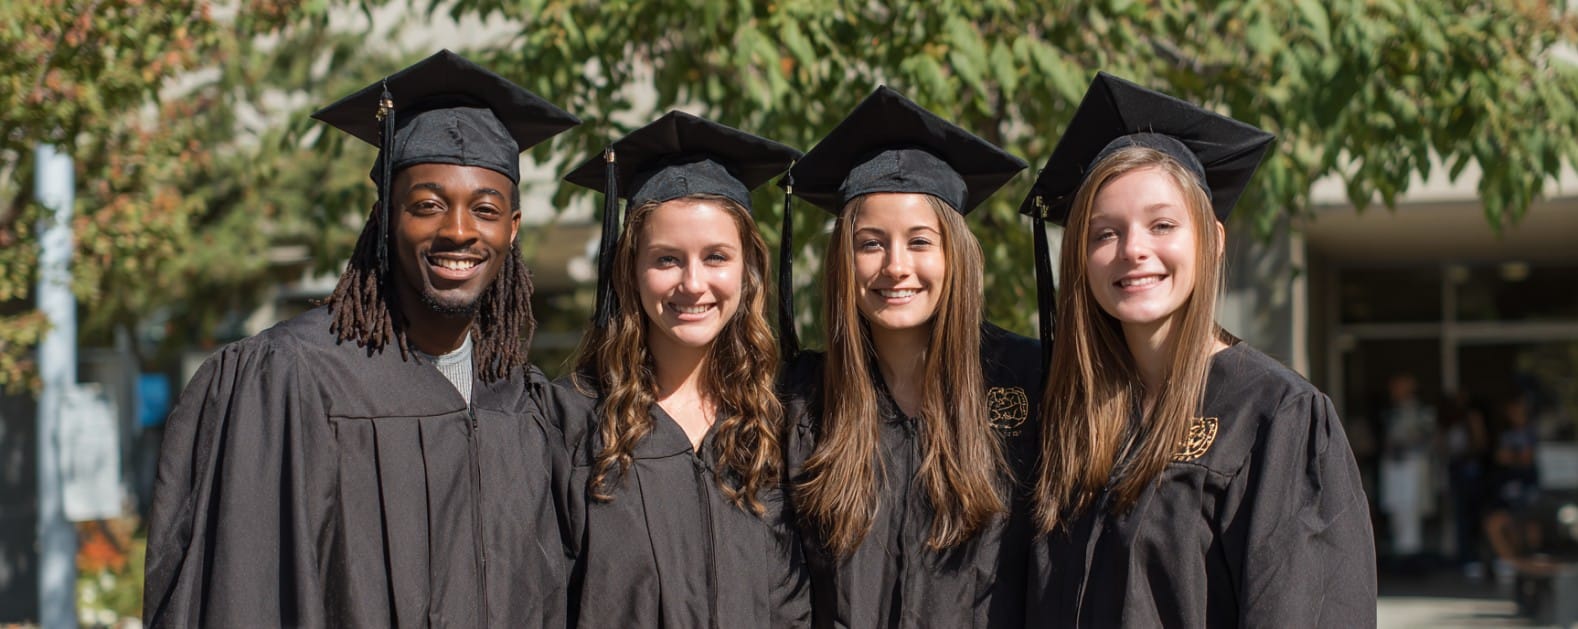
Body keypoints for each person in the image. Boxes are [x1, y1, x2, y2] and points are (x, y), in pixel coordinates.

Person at [142, 51, 581, 628]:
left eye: (484, 209)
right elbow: (239, 592)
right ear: (386, 217)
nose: (457, 230)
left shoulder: (525, 406)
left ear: (512, 228)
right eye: (427, 206)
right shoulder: (290, 379)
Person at [1020, 72, 1376, 627]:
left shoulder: (1276, 417)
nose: (1133, 250)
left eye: (1162, 225)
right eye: (1104, 232)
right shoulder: (1072, 412)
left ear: (1213, 240)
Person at [779, 86, 1041, 628]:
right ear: (843, 260)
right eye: (871, 243)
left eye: (920, 242)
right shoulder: (804, 399)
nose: (896, 266)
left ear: (955, 255)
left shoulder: (1029, 382)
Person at [554, 111, 810, 627]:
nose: (693, 284)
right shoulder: (569, 422)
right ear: (630, 268)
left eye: (716, 256)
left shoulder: (784, 421)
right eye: (667, 259)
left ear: (748, 268)